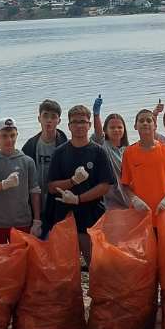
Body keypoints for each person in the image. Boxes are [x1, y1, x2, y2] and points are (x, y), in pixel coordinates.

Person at [49, 104, 117, 266]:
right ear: (69, 126)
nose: (79, 126)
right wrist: (72, 182)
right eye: (75, 122)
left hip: (92, 214)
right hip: (65, 215)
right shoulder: (59, 152)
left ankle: (98, 290)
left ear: (89, 125)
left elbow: (106, 185)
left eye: (83, 122)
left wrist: (79, 199)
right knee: (65, 263)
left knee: (94, 260)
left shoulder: (99, 152)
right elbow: (51, 186)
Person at [0, 118, 41, 242]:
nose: (9, 140)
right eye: (4, 136)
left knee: (22, 259)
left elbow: (34, 191)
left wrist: (37, 220)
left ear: (17, 135)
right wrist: (3, 184)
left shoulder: (27, 161)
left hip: (22, 222)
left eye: (12, 135)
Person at [119, 109, 165, 214]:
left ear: (155, 126)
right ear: (135, 126)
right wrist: (134, 200)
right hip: (140, 213)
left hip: (162, 211)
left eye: (149, 120)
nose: (145, 123)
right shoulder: (128, 152)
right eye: (141, 121)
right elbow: (124, 184)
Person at [23, 100, 69, 233]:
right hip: (35, 205)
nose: (49, 120)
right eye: (45, 116)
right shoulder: (30, 145)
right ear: (39, 118)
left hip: (59, 204)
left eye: (53, 117)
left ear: (59, 120)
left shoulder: (66, 146)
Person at [92, 104, 134, 210]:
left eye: (119, 127)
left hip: (129, 199)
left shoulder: (128, 150)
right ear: (105, 130)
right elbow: (98, 135)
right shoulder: (103, 146)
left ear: (124, 130)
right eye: (112, 127)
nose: (116, 130)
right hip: (112, 202)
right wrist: (96, 115)